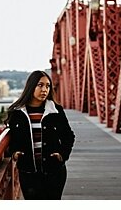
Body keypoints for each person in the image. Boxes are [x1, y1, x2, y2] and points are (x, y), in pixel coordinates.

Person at [4, 70, 75, 199]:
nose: (44, 90)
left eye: (47, 86)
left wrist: (62, 154)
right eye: (40, 85)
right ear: (31, 86)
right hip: (28, 172)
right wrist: (14, 152)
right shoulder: (17, 113)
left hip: (54, 171)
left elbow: (68, 136)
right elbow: (12, 139)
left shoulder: (55, 110)